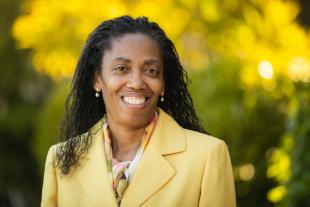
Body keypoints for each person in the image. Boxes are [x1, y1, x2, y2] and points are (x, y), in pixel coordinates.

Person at [41, 15, 236, 207]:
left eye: (151, 71)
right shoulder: (60, 160)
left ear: (163, 84)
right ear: (97, 79)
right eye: (121, 68)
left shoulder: (207, 156)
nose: (136, 83)